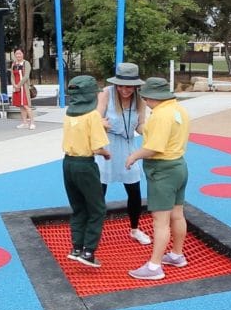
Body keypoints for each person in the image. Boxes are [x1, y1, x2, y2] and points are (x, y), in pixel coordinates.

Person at [125, 77, 190, 281]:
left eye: (145, 98)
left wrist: (134, 156)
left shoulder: (161, 115)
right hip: (179, 166)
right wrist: (142, 127)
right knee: (177, 214)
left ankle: (154, 266)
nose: (145, 102)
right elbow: (163, 133)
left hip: (163, 171)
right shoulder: (178, 109)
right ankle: (177, 255)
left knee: (160, 221)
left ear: (152, 97)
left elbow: (154, 148)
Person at [95, 62, 151, 245]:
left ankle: (134, 229)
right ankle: (94, 229)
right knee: (100, 190)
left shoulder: (140, 99)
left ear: (135, 86)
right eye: (121, 85)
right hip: (107, 144)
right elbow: (96, 117)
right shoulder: (106, 93)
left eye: (129, 86)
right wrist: (101, 123)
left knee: (134, 189)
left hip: (128, 144)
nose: (124, 90)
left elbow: (140, 125)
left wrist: (151, 130)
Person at [62, 75, 111, 267]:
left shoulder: (69, 114)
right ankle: (89, 251)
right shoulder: (93, 116)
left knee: (79, 207)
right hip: (85, 165)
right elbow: (97, 147)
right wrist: (106, 153)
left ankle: (76, 248)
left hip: (68, 163)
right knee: (97, 209)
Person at [10, 47, 35, 130]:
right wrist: (14, 85)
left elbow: (26, 76)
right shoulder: (14, 64)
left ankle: (32, 123)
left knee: (26, 105)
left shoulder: (26, 63)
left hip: (24, 87)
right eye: (16, 54)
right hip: (17, 88)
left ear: (23, 54)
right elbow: (12, 76)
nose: (18, 55)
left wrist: (19, 85)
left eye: (20, 53)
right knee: (21, 106)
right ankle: (25, 123)